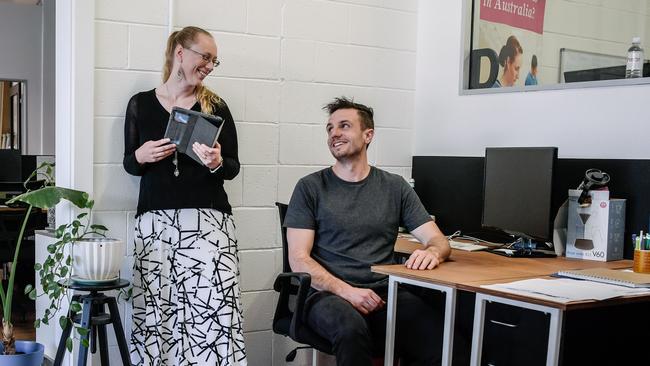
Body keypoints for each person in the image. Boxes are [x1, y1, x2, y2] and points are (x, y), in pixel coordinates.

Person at [283, 97, 451, 366]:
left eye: (344, 126)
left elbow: (438, 239)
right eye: (330, 128)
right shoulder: (310, 187)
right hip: (326, 296)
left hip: (383, 293)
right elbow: (299, 259)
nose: (334, 134)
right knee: (351, 329)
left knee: (440, 335)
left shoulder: (394, 187)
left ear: (368, 134)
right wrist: (348, 292)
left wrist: (434, 251)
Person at [123, 26, 246, 366]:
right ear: (180, 51)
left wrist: (217, 162)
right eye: (204, 56)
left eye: (213, 60)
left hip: (209, 223)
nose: (209, 65)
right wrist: (140, 156)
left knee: (213, 316)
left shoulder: (215, 105)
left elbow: (233, 167)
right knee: (155, 315)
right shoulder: (141, 105)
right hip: (154, 224)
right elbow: (129, 165)